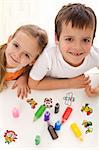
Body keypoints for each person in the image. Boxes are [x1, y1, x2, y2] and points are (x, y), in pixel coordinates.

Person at [28, 3, 99, 97]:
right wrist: (70, 83)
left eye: (85, 40)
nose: (77, 47)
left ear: (92, 40)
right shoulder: (48, 56)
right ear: (57, 38)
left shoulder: (94, 55)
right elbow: (33, 84)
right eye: (69, 39)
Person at [0, 24, 48, 98]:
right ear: (9, 40)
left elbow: (28, 69)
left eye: (26, 55)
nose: (17, 55)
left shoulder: (27, 67)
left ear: (33, 61)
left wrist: (24, 77)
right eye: (16, 45)